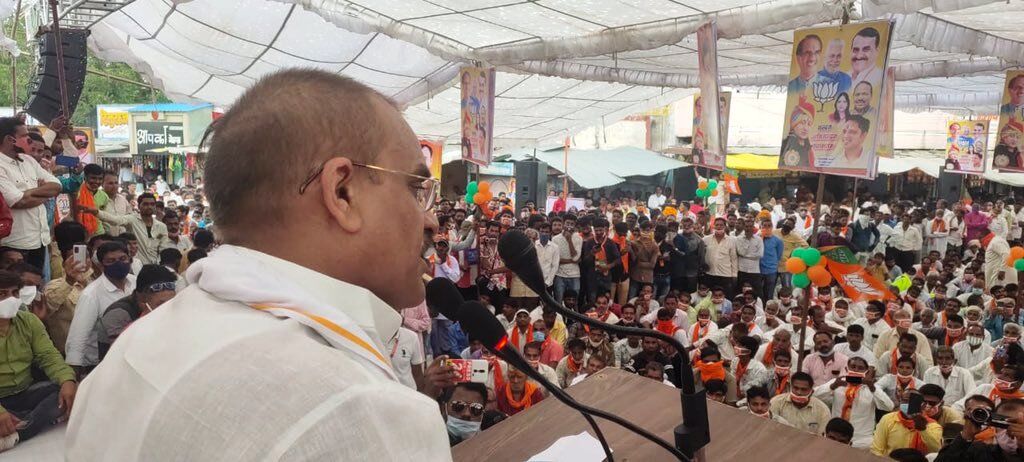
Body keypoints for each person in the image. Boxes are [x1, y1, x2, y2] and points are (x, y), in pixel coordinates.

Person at [67, 70, 452, 459]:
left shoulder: (134, 346)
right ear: (342, 192)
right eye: (416, 188)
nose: (431, 221)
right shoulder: (365, 410)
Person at [0, 269, 77, 453]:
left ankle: (16, 433)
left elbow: (48, 356)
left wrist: (67, 380)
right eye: (2, 294)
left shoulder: (29, 321)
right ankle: (21, 421)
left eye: (15, 293)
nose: (10, 299)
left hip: (24, 393)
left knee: (62, 391)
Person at [64, 240, 138, 375]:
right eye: (111, 261)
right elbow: (78, 338)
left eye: (123, 259)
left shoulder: (136, 282)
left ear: (129, 259)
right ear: (101, 265)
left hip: (133, 357)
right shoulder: (91, 294)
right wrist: (73, 377)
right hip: (100, 364)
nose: (119, 264)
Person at [0, 117, 62, 270]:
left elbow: (57, 186)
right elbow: (18, 202)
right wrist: (45, 195)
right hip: (13, 245)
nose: (30, 140)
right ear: (9, 139)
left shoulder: (28, 161)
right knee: (15, 285)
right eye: (25, 136)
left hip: (40, 240)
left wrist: (26, 194)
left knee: (37, 283)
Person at [96, 264, 177, 361]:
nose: (167, 308)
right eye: (161, 304)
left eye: (172, 303)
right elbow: (122, 357)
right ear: (143, 297)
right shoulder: (119, 314)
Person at [814, 356, 892, 447]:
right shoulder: (838, 382)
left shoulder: (872, 387)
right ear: (847, 369)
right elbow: (814, 395)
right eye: (853, 367)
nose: (856, 370)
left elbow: (889, 407)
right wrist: (832, 386)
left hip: (862, 439)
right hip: (836, 437)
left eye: (860, 368)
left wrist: (872, 388)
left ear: (866, 372)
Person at [87, 192, 172, 265]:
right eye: (145, 204)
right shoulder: (132, 219)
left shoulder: (161, 226)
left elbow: (164, 249)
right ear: (139, 206)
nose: (149, 206)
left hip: (157, 266)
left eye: (152, 204)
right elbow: (116, 220)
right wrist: (97, 212)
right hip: (136, 265)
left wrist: (160, 265)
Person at [935, 397, 1024, 461]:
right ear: (995, 428)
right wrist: (966, 436)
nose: (1011, 431)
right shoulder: (979, 451)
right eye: (1003, 425)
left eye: (1018, 425)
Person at [871, 388, 943, 456]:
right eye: (905, 400)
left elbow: (936, 449)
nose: (909, 404)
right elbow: (877, 449)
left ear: (923, 405)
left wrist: (923, 430)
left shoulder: (932, 425)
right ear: (900, 401)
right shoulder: (887, 419)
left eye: (913, 401)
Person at [703, 217, 738, 299]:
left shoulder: (732, 240)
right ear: (714, 226)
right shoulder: (706, 239)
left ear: (725, 226)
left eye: (721, 225)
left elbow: (734, 259)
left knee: (726, 298)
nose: (719, 227)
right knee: (710, 298)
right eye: (717, 225)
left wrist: (734, 275)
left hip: (725, 275)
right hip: (710, 274)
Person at [552, 216, 582, 303]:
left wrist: (569, 241)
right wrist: (571, 261)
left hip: (574, 275)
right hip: (559, 274)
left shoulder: (578, 238)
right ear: (563, 224)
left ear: (575, 226)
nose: (569, 226)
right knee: (559, 300)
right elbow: (556, 260)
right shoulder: (555, 239)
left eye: (572, 224)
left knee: (574, 301)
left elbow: (576, 258)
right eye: (567, 223)